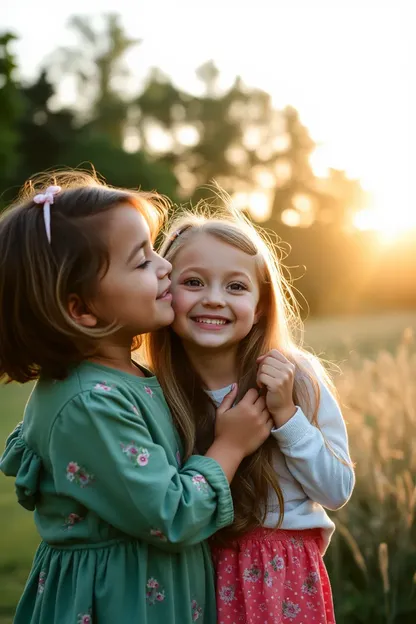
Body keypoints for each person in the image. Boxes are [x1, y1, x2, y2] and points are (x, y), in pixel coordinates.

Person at [0, 172, 273, 624]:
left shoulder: (129, 376)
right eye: (142, 261)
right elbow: (171, 514)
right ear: (82, 310)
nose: (165, 266)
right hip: (119, 604)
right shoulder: (88, 403)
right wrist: (231, 445)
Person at [145, 207, 355, 624]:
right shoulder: (158, 392)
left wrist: (287, 416)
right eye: (193, 282)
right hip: (192, 573)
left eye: (236, 286)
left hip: (283, 577)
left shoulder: (295, 377)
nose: (214, 298)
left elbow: (336, 490)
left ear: (260, 307)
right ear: (166, 291)